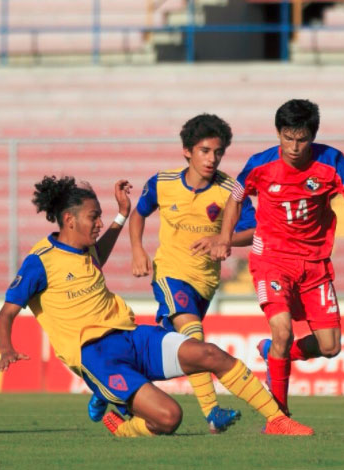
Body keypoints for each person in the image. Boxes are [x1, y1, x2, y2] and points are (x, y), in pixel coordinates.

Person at [0, 175, 313, 437]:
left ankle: (277, 420)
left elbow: (97, 258)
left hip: (132, 336)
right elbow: (5, 313)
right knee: (169, 418)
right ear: (69, 219)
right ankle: (121, 427)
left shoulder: (85, 250)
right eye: (94, 217)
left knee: (210, 354)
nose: (99, 223)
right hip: (97, 356)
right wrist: (7, 348)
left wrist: (121, 215)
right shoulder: (40, 262)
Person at [210, 99, 344, 415]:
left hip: (315, 265)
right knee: (282, 330)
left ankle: (276, 353)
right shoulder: (260, 164)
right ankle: (279, 414)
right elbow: (235, 199)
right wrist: (225, 238)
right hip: (271, 259)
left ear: (312, 136)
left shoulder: (332, 162)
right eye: (287, 137)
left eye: (302, 139)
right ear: (279, 133)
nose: (294, 147)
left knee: (330, 346)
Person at [125, 113, 256, 434]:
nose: (212, 158)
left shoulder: (230, 190)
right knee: (192, 335)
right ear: (187, 151)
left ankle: (116, 389)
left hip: (206, 282)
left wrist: (223, 239)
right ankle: (213, 412)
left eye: (218, 152)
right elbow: (138, 215)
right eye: (205, 151)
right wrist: (138, 250)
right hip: (170, 273)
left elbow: (254, 231)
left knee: (180, 349)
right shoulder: (162, 183)